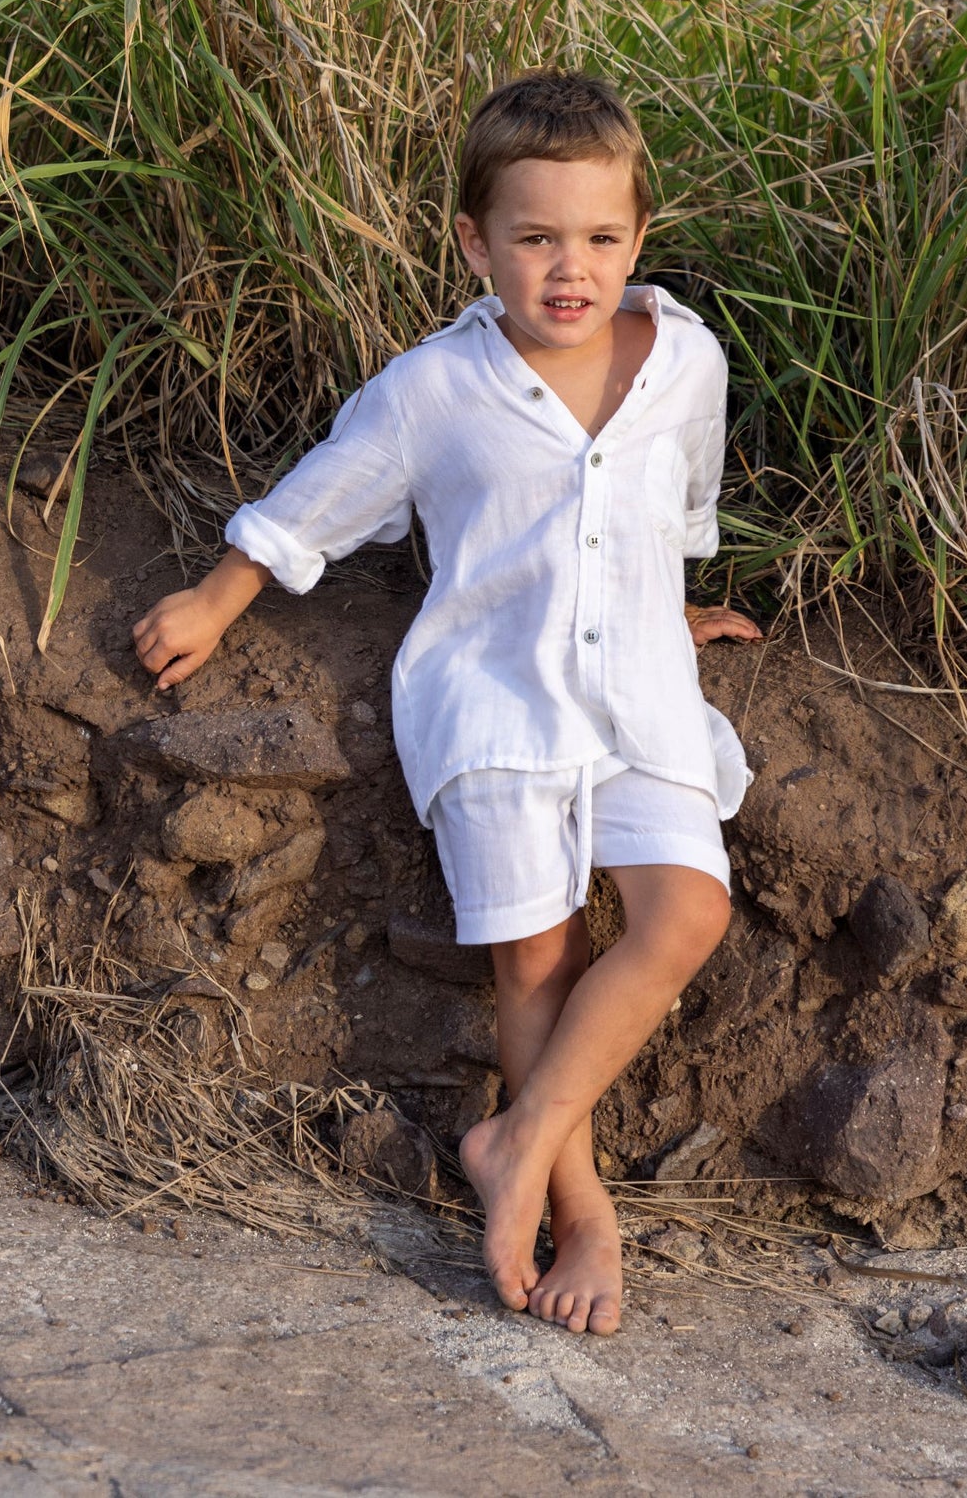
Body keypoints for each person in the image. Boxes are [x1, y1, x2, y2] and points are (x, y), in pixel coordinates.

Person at [132, 70, 760, 1336]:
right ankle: (580, 1210)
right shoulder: (436, 386)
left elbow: (676, 496)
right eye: (533, 239)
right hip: (493, 696)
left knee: (685, 910)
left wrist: (666, 598)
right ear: (476, 243)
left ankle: (512, 1137)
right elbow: (324, 490)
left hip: (638, 685)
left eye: (596, 238)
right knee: (538, 952)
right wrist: (215, 596)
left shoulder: (683, 358)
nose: (566, 268)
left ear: (637, 238)